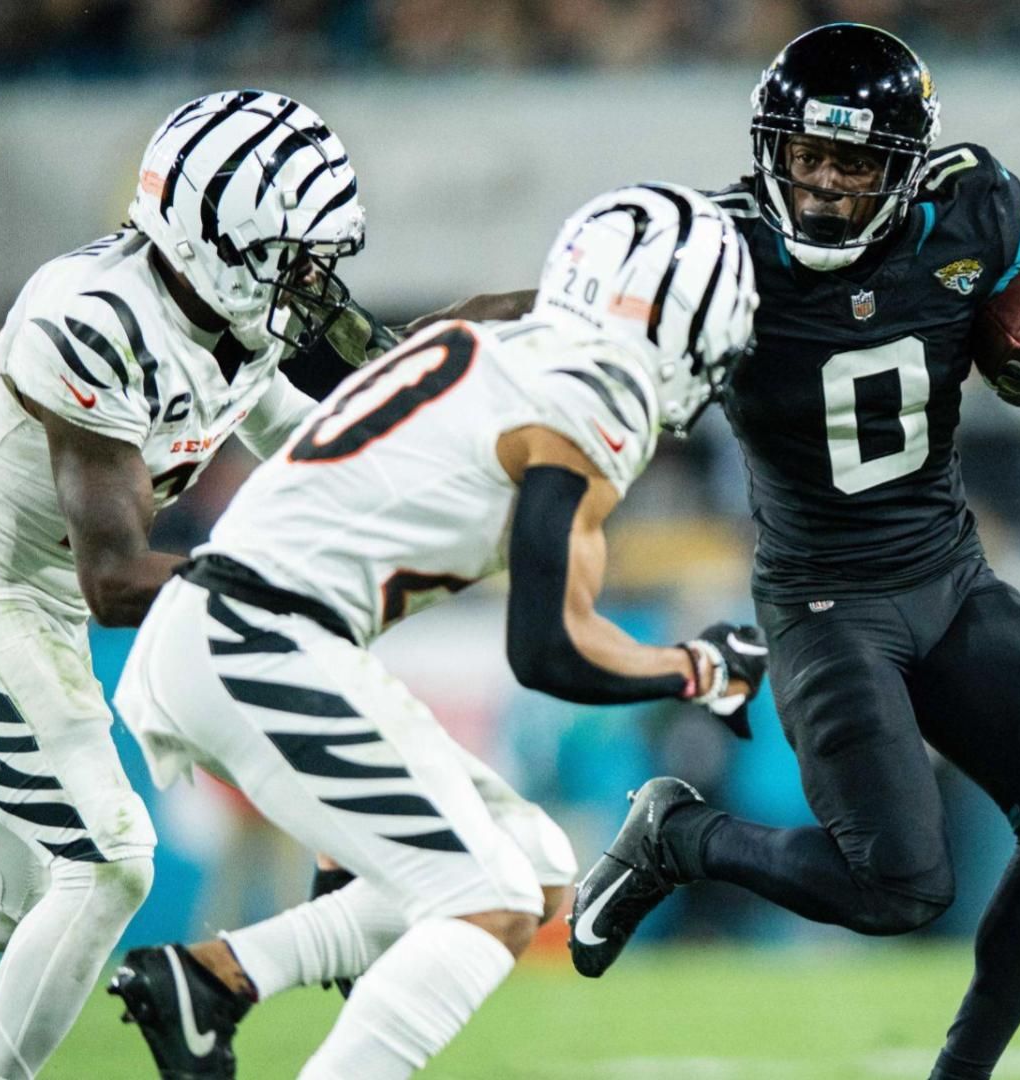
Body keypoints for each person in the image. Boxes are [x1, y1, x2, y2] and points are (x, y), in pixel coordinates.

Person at [569, 25, 1020, 1080]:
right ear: (770, 148)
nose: (825, 185)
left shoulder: (971, 208)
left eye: (855, 161)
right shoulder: (714, 247)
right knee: (898, 888)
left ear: (905, 169)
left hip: (949, 573)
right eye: (807, 156)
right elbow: (550, 318)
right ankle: (676, 838)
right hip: (826, 602)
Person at [105, 183, 768, 1080]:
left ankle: (218, 978)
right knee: (486, 896)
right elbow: (550, 650)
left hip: (253, 631)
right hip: (258, 635)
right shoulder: (596, 389)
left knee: (533, 868)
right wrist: (695, 668)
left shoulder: (496, 347)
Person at [0, 89, 367, 1080]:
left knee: (0, 903)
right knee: (109, 868)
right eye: (293, 253)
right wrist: (287, 591)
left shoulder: (219, 313)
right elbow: (115, 579)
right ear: (216, 242)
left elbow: (296, 434)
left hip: (36, 605)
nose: (313, 279)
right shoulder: (96, 322)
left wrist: (425, 424)